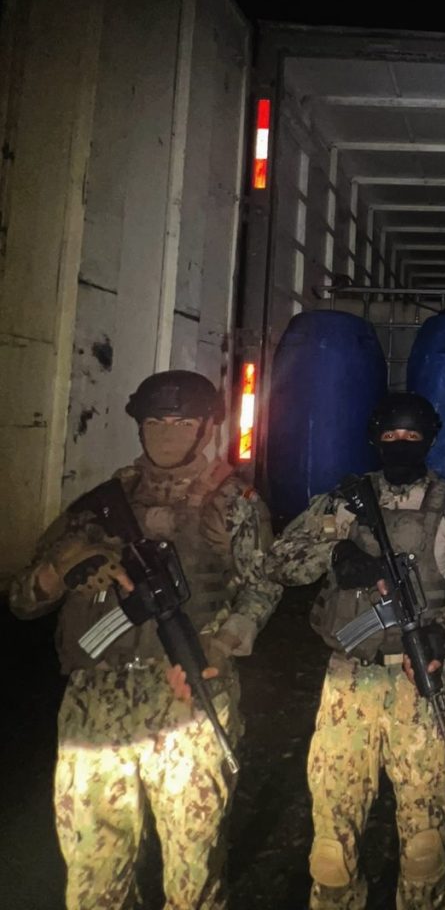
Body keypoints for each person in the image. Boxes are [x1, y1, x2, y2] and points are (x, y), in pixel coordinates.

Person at [8, 369, 279, 910]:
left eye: (182, 422)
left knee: (193, 875)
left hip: (185, 695)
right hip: (95, 704)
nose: (167, 433)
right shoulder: (96, 505)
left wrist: (221, 645)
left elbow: (263, 587)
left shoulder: (235, 502)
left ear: (206, 428)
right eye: (156, 421)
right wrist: (63, 567)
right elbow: (23, 600)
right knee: (94, 877)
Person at [267, 391, 445, 910]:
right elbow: (280, 563)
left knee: (425, 845)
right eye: (391, 436)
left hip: (418, 681)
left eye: (412, 436)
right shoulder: (342, 503)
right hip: (348, 683)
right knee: (331, 849)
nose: (401, 444)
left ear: (429, 441)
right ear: (375, 440)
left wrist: (442, 631)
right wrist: (337, 551)